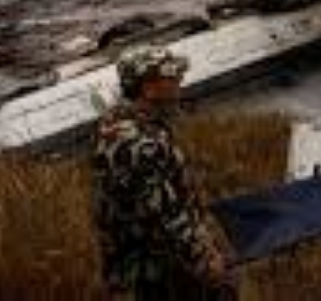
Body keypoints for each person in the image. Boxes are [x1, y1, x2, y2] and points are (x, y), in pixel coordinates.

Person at [92, 45, 233, 299]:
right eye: (171, 75)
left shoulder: (125, 122)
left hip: (153, 267)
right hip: (155, 274)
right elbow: (166, 217)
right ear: (148, 87)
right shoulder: (138, 143)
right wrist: (205, 261)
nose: (179, 80)